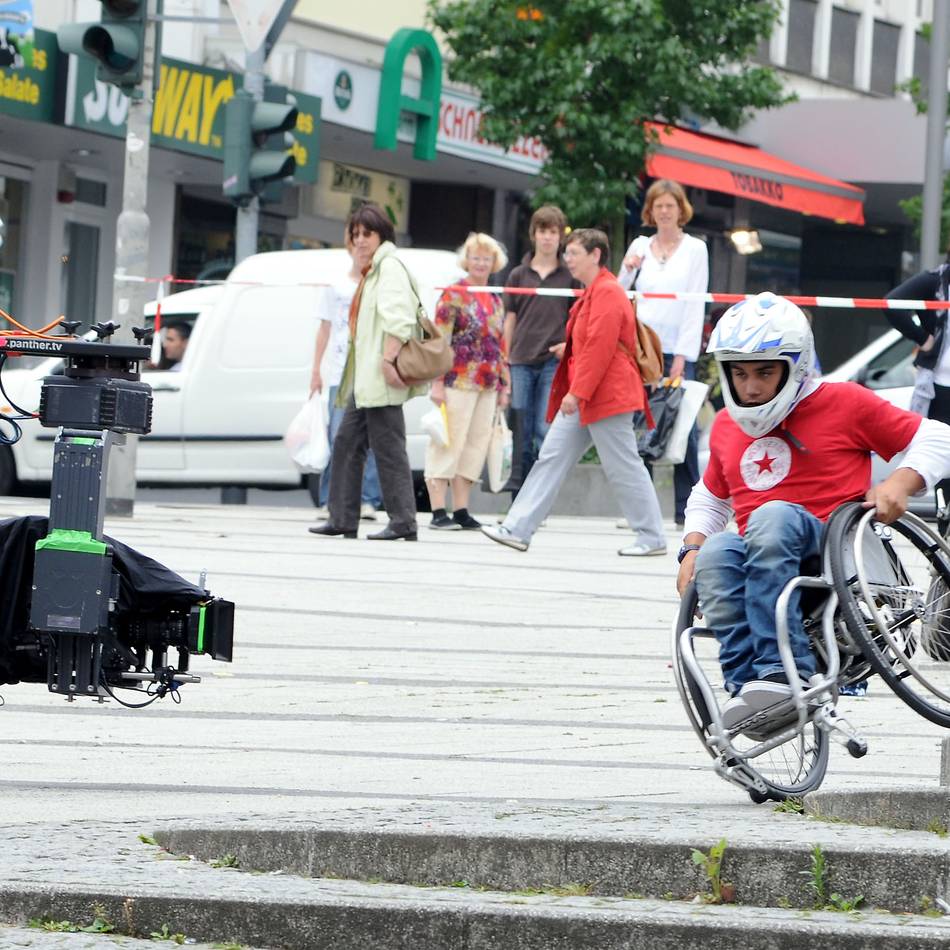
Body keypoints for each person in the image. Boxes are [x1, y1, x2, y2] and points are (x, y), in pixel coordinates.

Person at [675, 292, 950, 730]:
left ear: (795, 364)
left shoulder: (844, 402)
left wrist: (902, 481)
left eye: (765, 372)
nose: (751, 387)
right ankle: (749, 686)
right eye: (740, 373)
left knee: (772, 515)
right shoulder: (728, 424)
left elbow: (938, 437)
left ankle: (785, 671)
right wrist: (691, 548)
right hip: (760, 560)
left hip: (831, 551)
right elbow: (710, 497)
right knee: (719, 552)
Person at [481, 228, 666, 555]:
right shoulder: (598, 290)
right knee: (552, 457)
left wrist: (576, 393)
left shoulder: (606, 292)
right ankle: (517, 528)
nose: (567, 259)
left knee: (622, 466)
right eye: (567, 253)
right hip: (595, 394)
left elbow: (600, 348)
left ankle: (651, 537)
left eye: (574, 253)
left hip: (605, 396)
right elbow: (597, 342)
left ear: (595, 255)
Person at [309, 203, 423, 542]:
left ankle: (403, 521)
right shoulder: (376, 268)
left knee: (388, 447)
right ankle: (343, 517)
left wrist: (389, 362)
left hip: (380, 375)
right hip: (366, 378)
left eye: (367, 233)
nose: (359, 240)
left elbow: (399, 318)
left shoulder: (389, 267)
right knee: (345, 443)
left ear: (381, 234)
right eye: (355, 234)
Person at [619, 179, 709, 526]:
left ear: (680, 209)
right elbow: (618, 290)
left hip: (676, 351)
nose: (665, 212)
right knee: (639, 425)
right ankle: (642, 510)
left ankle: (687, 510)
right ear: (651, 211)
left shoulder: (695, 249)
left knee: (682, 428)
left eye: (670, 205)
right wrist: (629, 266)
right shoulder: (641, 244)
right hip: (642, 350)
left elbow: (694, 303)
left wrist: (683, 357)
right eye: (658, 206)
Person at [426, 233, 510, 530]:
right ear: (467, 260)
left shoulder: (496, 297)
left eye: (486, 258)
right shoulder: (453, 294)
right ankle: (438, 511)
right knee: (449, 441)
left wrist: (504, 384)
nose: (481, 263)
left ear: (493, 263)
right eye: (475, 257)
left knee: (476, 445)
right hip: (457, 379)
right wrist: (436, 382)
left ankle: (461, 509)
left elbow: (499, 343)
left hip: (488, 382)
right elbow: (439, 341)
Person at [309, 231, 383, 521]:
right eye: (357, 242)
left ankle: (367, 499)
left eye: (368, 241)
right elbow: (324, 329)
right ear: (349, 248)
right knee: (338, 437)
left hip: (371, 374)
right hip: (340, 372)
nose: (362, 247)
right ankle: (331, 499)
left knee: (371, 439)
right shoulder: (335, 285)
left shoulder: (378, 287)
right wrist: (316, 371)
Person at [504, 205, 579, 490]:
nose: (547, 238)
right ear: (533, 235)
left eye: (553, 232)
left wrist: (567, 346)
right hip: (520, 360)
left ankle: (539, 497)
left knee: (544, 431)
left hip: (553, 363)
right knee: (520, 431)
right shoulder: (518, 275)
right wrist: (505, 358)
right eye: (542, 231)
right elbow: (510, 318)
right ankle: (518, 496)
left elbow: (577, 318)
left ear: (560, 237)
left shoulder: (569, 276)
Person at [884, 260, 950, 530]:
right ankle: (944, 534)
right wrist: (924, 339)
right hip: (940, 388)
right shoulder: (938, 279)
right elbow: (892, 302)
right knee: (944, 460)